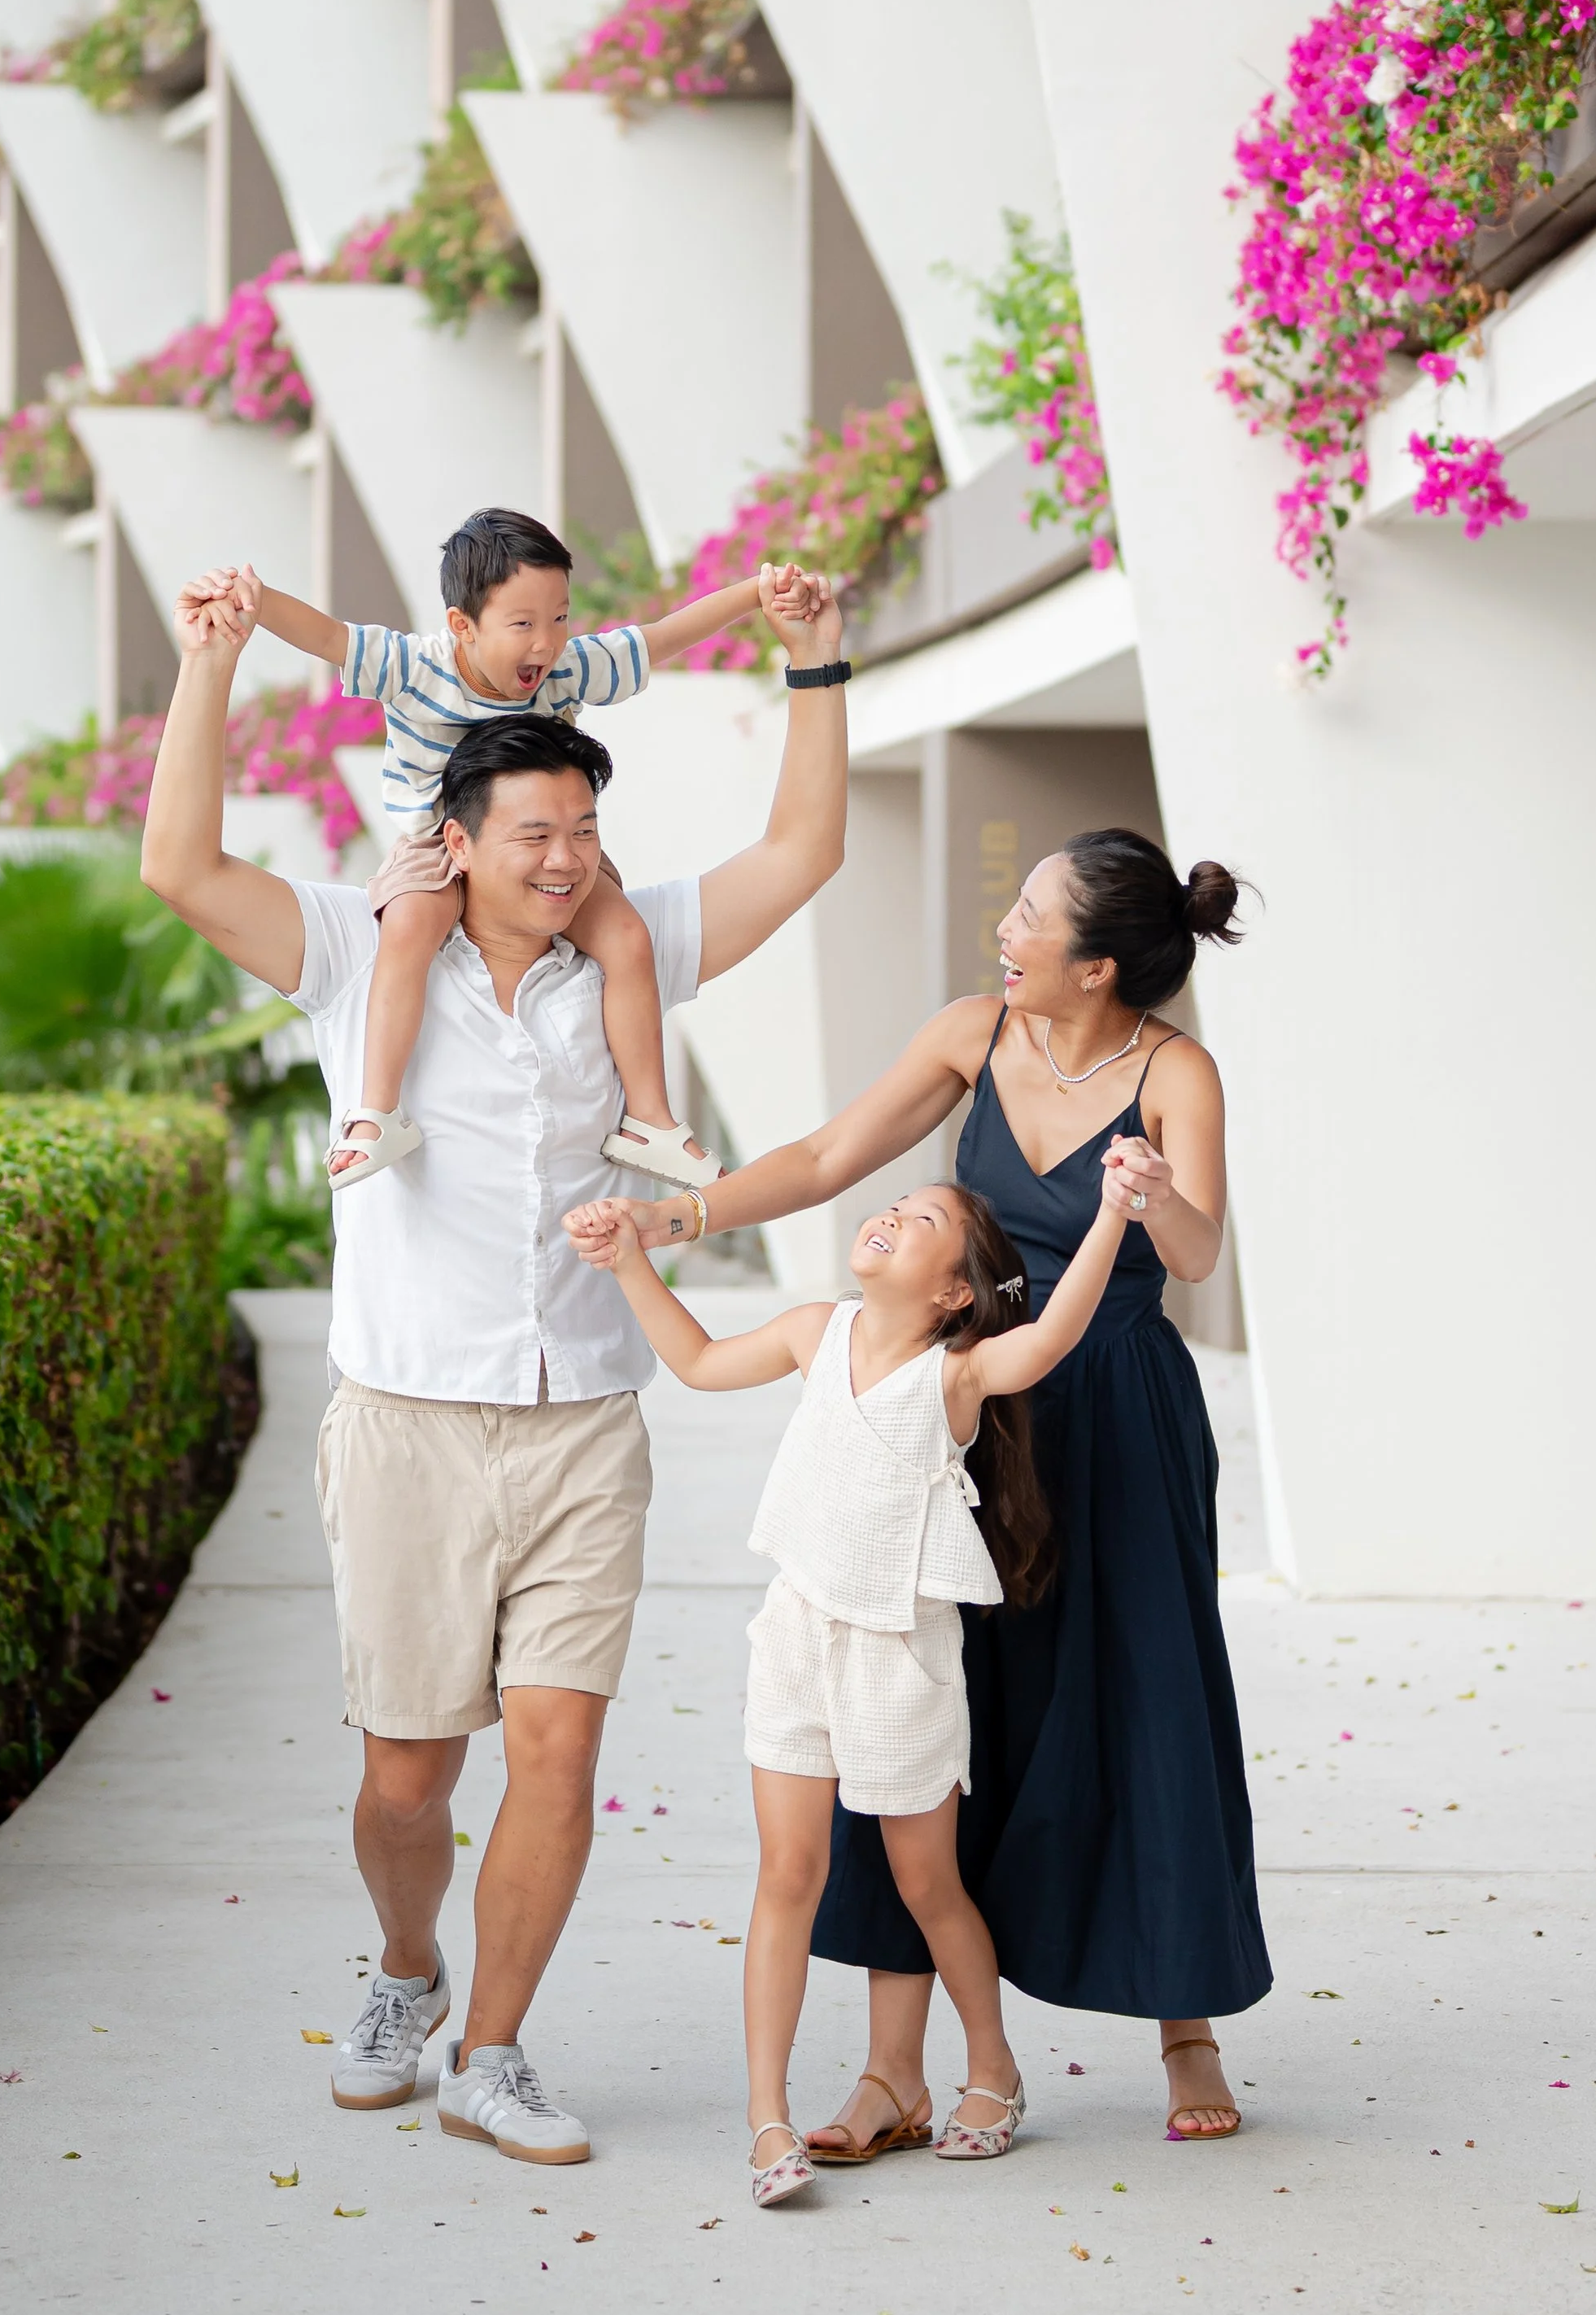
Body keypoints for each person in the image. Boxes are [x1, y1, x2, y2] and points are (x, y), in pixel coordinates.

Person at [138, 562, 851, 2168]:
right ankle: (405, 1965)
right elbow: (177, 863)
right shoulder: (350, 949)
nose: (564, 861)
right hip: (406, 1423)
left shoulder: (630, 946)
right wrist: (211, 663)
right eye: (532, 834)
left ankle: (492, 2047)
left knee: (557, 1744)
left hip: (584, 1422)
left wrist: (814, 664)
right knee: (406, 1778)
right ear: (451, 840)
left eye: (582, 833)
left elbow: (802, 851)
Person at [615, 828, 1271, 2149]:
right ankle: (895, 2068)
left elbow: (1198, 1252)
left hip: (1120, 1414)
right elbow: (820, 1157)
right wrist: (682, 1220)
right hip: (966, 1416)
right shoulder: (974, 1033)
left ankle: (1185, 2023)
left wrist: (1144, 1198)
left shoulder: (1176, 1071)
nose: (1004, 931)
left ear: (1093, 966)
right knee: (919, 1710)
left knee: (1146, 1696)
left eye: (1028, 917)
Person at [569, 1168, 1140, 2206]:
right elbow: (695, 1361)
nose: (889, 1216)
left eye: (923, 1222)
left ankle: (992, 2068)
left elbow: (1052, 1338)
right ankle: (766, 2121)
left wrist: (1113, 1210)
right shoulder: (811, 1332)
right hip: (794, 1636)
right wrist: (626, 1261)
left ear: (953, 1292)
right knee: (786, 1874)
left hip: (899, 1655)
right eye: (895, 1204)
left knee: (928, 1885)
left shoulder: (956, 1375)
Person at [180, 509, 798, 1192]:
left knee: (625, 935)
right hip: (435, 848)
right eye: (524, 624)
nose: (547, 641)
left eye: (560, 618)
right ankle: (377, 1111)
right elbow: (327, 635)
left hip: (543, 858)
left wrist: (753, 594)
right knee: (410, 929)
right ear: (462, 626)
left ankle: (649, 1119)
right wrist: (253, 600)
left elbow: (656, 640)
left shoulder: (565, 669)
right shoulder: (414, 667)